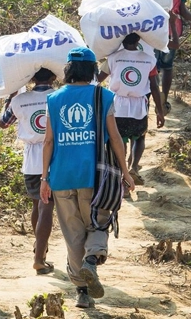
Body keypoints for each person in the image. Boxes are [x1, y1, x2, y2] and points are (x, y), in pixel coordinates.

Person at [40, 47, 133, 310]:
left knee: (73, 236)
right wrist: (125, 173)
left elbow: (48, 141)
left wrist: (44, 177)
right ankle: (92, 261)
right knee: (98, 223)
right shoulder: (103, 96)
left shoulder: (54, 99)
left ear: (68, 69)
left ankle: (82, 293)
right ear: (93, 70)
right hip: (96, 177)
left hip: (61, 177)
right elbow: (115, 138)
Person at [0, 68, 57, 275]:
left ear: (32, 78)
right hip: (53, 156)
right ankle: (39, 258)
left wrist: (12, 96)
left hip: (31, 159)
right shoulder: (57, 96)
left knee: (37, 203)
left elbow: (4, 123)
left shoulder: (21, 100)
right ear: (53, 77)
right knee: (47, 207)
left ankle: (40, 247)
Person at [97, 34, 161, 182]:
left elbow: (98, 79)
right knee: (139, 137)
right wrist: (160, 111)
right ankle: (133, 166)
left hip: (117, 106)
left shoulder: (113, 58)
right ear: (139, 40)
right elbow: (154, 86)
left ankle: (123, 176)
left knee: (119, 139)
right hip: (139, 106)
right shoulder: (149, 59)